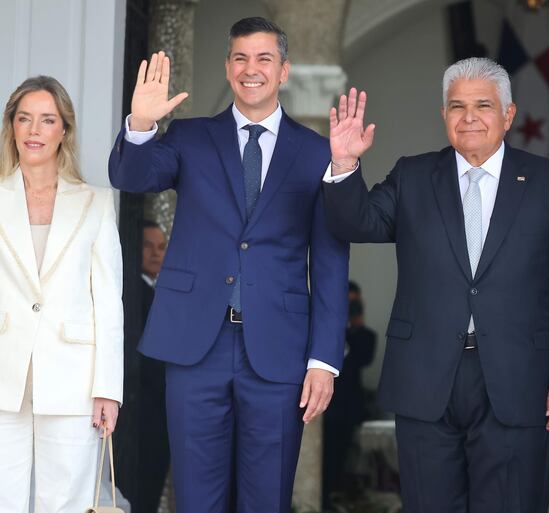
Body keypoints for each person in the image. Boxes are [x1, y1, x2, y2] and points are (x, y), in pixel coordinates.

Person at [322, 57, 549, 513]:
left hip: (519, 378)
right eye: (457, 106)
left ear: (508, 114)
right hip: (425, 376)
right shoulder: (412, 175)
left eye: (483, 105)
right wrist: (345, 163)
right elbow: (356, 222)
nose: (469, 117)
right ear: (443, 114)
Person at [108, 16, 349, 513]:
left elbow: (329, 262)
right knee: (196, 498)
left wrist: (323, 360)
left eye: (264, 58)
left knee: (266, 499)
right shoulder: (190, 137)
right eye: (240, 58)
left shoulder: (317, 152)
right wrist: (141, 125)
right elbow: (132, 177)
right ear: (227, 67)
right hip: (196, 344)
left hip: (279, 350)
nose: (250, 69)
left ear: (284, 70)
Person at [0, 76, 123, 512]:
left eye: (47, 120)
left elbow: (109, 303)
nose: (34, 130)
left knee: (67, 504)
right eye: (25, 119)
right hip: (3, 374)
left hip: (74, 380)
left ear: (64, 130)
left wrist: (108, 388)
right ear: (12, 127)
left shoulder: (96, 203)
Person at [114, 219, 170, 513]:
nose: (156, 253)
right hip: (139, 410)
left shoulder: (158, 292)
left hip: (155, 411)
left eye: (161, 247)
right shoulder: (133, 292)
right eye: (148, 246)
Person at [322, 280, 376, 509]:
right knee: (326, 455)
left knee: (346, 455)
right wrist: (337, 322)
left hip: (350, 406)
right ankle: (325, 498)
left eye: (354, 304)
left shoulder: (365, 335)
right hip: (325, 406)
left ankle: (341, 495)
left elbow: (363, 358)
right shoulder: (326, 331)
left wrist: (354, 325)